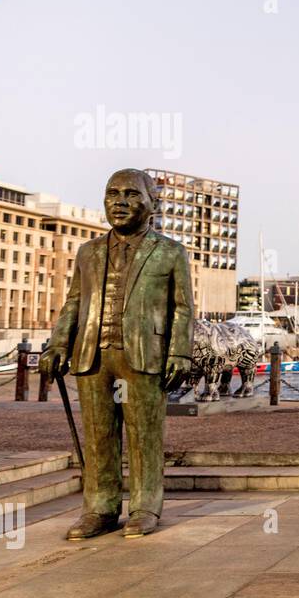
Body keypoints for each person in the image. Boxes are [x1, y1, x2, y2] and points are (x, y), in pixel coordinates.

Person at [39, 169, 193, 540]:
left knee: (144, 435)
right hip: (92, 355)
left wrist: (180, 354)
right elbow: (74, 302)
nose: (120, 202)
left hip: (143, 355)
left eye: (131, 194)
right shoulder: (88, 252)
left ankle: (144, 507)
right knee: (98, 435)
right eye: (112, 194)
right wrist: (58, 343)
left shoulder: (170, 252)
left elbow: (183, 308)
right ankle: (100, 508)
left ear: (152, 204)